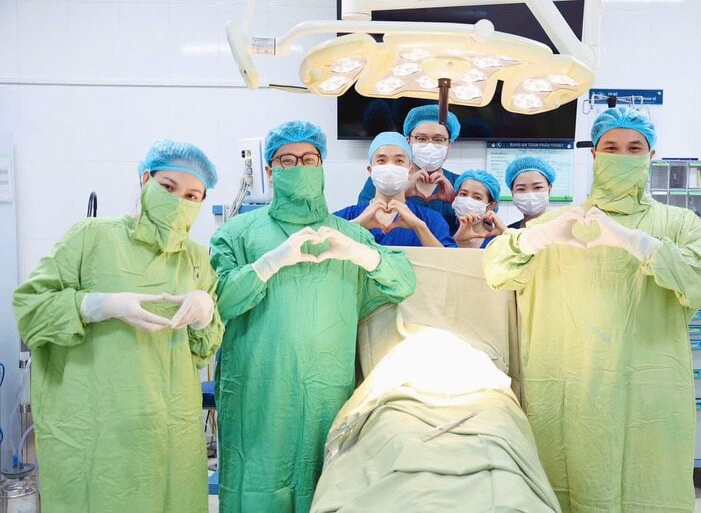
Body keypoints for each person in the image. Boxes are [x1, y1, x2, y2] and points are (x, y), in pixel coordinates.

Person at [483, 107, 701, 513]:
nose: (622, 156)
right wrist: (536, 238)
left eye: (634, 148)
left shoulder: (678, 224)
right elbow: (495, 269)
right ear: (594, 154)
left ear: (651, 155)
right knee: (572, 486)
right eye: (611, 148)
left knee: (648, 488)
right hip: (570, 394)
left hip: (648, 392)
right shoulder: (558, 224)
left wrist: (639, 243)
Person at [210, 120, 416, 513]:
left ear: (321, 164)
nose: (299, 166)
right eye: (287, 161)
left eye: (309, 159)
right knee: (256, 489)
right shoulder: (238, 234)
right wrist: (268, 264)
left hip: (327, 395)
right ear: (270, 170)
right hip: (259, 396)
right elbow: (219, 302)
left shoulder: (348, 236)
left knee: (322, 489)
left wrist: (361, 254)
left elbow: (403, 282)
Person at [13, 140, 224, 512]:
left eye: (192, 196)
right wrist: (96, 305)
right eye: (168, 187)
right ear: (145, 180)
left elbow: (203, 349)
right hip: (99, 431)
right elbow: (30, 308)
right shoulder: (91, 237)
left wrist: (206, 314)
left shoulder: (195, 258)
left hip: (169, 433)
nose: (179, 202)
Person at [335, 131, 455, 247]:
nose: (390, 167)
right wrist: (354, 226)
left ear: (410, 171)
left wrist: (419, 228)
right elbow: (324, 249)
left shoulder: (430, 220)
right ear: (370, 171)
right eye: (381, 160)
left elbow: (451, 259)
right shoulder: (345, 217)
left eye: (399, 161)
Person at [358, 104, 461, 233]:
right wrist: (397, 194)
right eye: (421, 138)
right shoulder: (380, 181)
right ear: (408, 141)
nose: (430, 145)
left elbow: (478, 230)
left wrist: (456, 201)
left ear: (449, 144)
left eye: (438, 139)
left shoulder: (460, 185)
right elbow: (362, 228)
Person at [451, 169, 506, 249]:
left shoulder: (496, 243)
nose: (468, 201)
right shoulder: (443, 234)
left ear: (491, 205)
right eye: (463, 194)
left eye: (477, 197)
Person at [505, 156, 556, 229]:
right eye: (521, 189)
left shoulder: (564, 229)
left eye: (538, 187)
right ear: (512, 193)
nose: (530, 195)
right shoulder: (507, 231)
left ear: (549, 189)